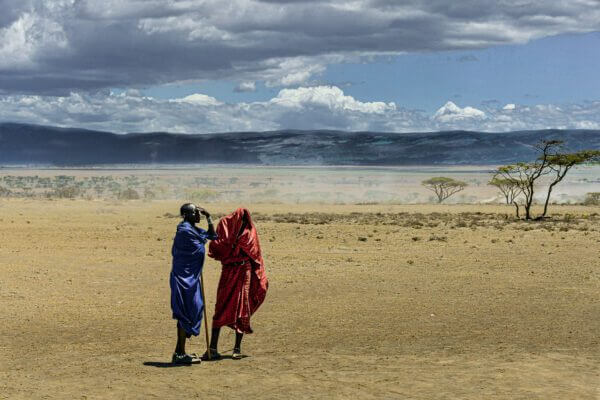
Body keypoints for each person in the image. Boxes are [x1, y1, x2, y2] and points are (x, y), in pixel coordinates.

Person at [204, 207, 268, 360]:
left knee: (242, 308)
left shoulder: (249, 232)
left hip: (243, 272)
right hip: (228, 271)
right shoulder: (225, 228)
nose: (243, 223)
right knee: (221, 306)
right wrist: (230, 245)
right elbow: (215, 246)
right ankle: (212, 348)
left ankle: (237, 348)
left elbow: (255, 255)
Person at [170, 203, 217, 364]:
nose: (199, 216)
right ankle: (179, 354)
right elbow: (192, 250)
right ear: (187, 215)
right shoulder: (184, 231)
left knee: (195, 308)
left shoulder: (194, 230)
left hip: (192, 278)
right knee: (184, 313)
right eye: (196, 213)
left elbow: (213, 235)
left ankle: (180, 352)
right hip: (182, 279)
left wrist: (209, 217)